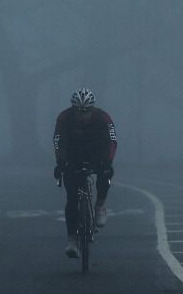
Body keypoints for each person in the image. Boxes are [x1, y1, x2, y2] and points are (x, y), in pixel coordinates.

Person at [53, 87, 117, 258]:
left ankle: (100, 206)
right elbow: (59, 141)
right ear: (73, 109)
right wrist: (60, 162)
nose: (82, 115)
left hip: (96, 154)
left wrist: (108, 162)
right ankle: (72, 240)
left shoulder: (103, 117)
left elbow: (112, 140)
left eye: (86, 112)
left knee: (105, 174)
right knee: (72, 199)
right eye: (78, 112)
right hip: (73, 156)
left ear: (92, 109)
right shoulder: (64, 118)